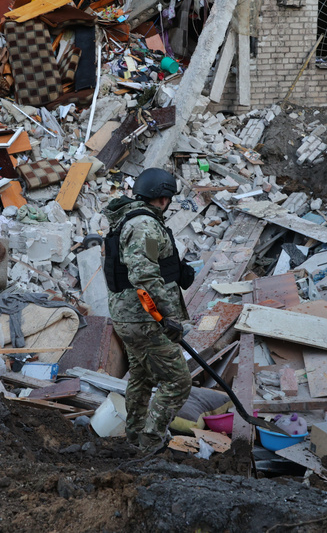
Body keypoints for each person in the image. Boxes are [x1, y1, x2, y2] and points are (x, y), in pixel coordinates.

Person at [102, 167, 196, 453]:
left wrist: (178, 272)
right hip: (144, 319)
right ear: (163, 197)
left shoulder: (132, 221)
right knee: (178, 382)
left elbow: (151, 267)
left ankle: (134, 437)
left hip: (130, 317)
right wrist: (166, 316)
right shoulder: (144, 225)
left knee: (142, 377)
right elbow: (143, 278)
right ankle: (151, 442)